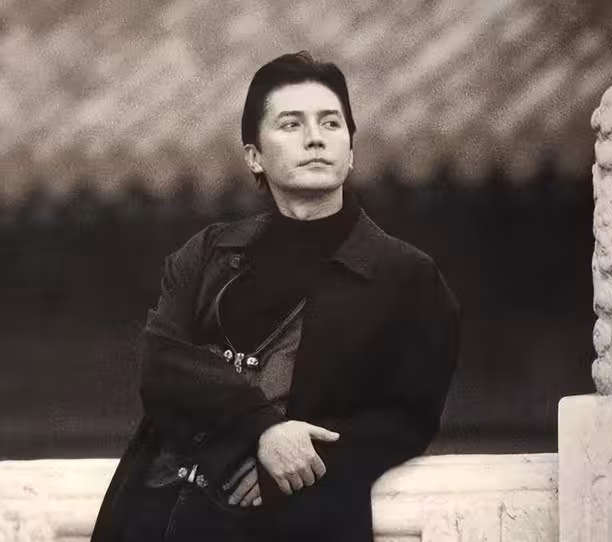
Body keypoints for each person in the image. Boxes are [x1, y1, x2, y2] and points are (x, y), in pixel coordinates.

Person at [91, 51, 460, 542]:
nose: (315, 137)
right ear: (255, 156)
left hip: (299, 522)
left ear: (351, 150)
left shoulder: (407, 277)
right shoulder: (208, 253)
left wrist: (302, 460)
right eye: (291, 124)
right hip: (160, 519)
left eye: (331, 123)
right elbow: (163, 364)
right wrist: (260, 428)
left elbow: (407, 418)